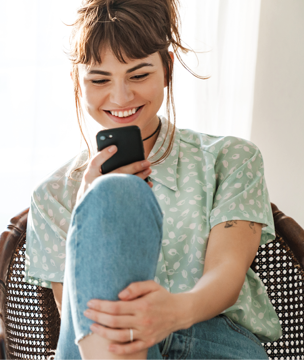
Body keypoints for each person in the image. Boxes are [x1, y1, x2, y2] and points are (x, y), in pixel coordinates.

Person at [24, 0, 282, 359]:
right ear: (76, 81)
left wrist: (170, 314)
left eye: (139, 74)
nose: (121, 97)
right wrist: (88, 205)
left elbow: (226, 272)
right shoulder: (53, 195)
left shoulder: (230, 159)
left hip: (209, 341)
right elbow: (78, 316)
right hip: (103, 346)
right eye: (99, 79)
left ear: (167, 69)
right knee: (113, 196)